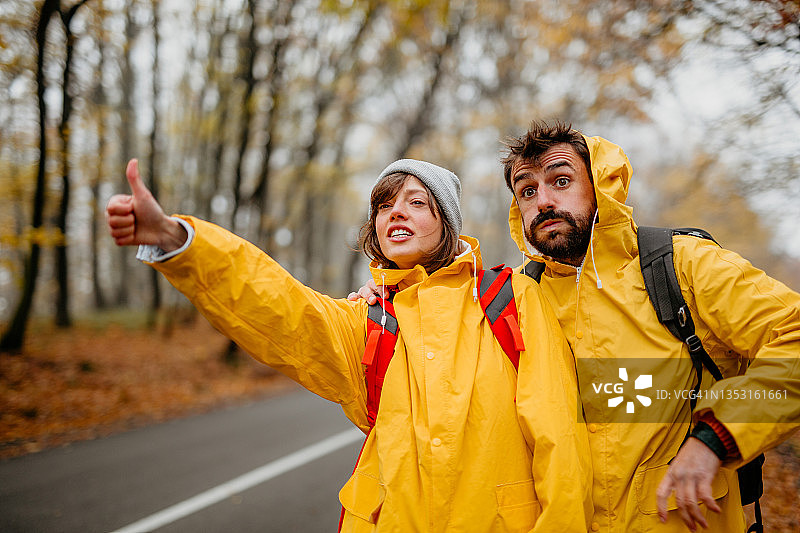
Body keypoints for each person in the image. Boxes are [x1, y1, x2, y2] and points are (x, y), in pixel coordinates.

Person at [352, 121, 800, 532]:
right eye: (527, 191)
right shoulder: (513, 298)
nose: (544, 201)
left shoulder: (680, 265)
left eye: (561, 181)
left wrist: (716, 439)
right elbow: (436, 350)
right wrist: (388, 291)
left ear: (598, 184)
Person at [106, 157, 592, 532]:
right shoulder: (368, 321)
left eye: (417, 203)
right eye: (385, 205)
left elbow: (558, 438)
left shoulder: (511, 298)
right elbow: (278, 305)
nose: (395, 212)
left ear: (447, 221)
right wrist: (178, 241)